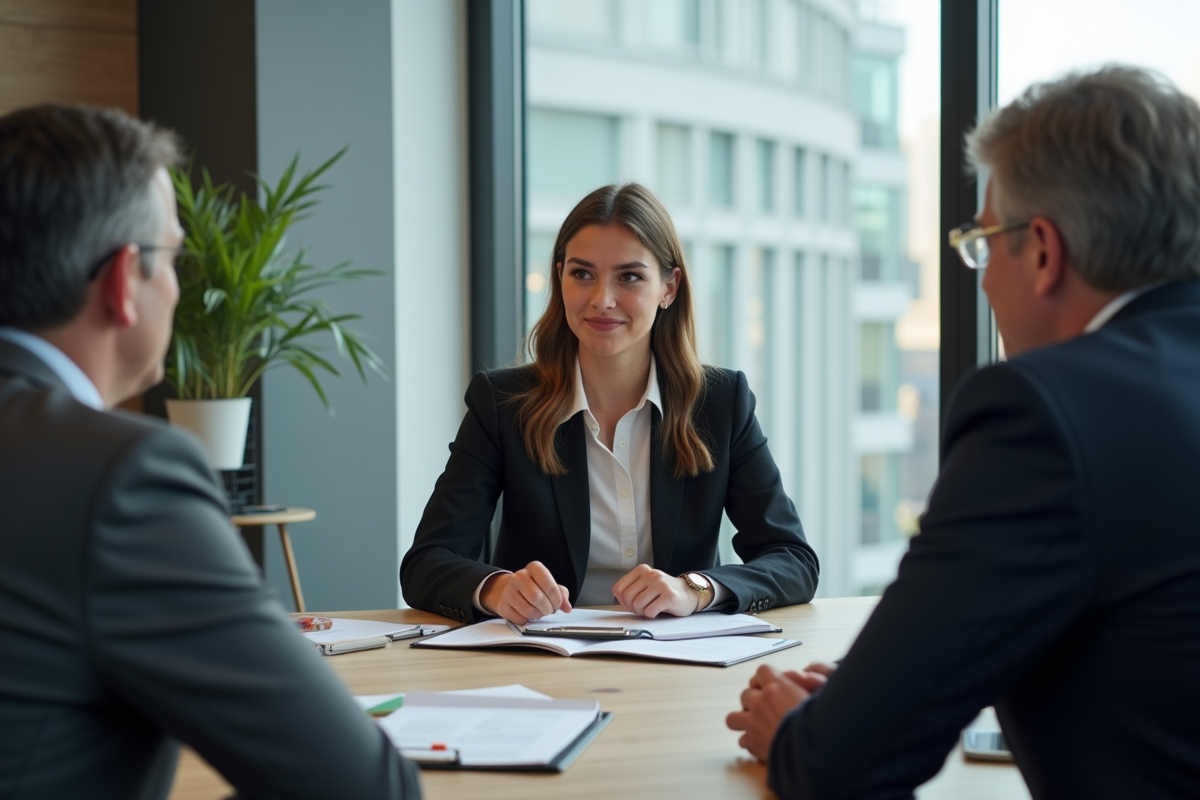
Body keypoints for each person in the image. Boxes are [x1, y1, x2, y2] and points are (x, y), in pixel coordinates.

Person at [726, 65, 1200, 799]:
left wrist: (800, 730)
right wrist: (899, 678)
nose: (979, 279)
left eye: (983, 243)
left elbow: (844, 769)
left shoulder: (1044, 410)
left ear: (1042, 250)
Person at [0, 104, 420, 799]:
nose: (179, 285)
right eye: (173, 257)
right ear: (122, 281)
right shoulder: (121, 478)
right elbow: (360, 787)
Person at [401, 183, 818, 625]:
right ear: (559, 276)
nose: (602, 299)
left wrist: (694, 589)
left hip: (680, 667)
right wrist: (499, 588)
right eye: (582, 274)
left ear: (669, 288)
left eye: (629, 277)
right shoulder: (503, 404)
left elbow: (792, 559)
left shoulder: (720, 402)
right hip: (543, 666)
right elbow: (427, 562)